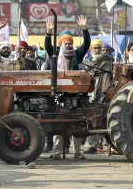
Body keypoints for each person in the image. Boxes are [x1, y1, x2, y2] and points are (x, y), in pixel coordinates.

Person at [44, 15, 90, 160]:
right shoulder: (55, 55)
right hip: (60, 95)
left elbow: (86, 44)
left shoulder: (77, 54)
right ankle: (57, 152)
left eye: (70, 43)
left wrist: (84, 30)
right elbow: (47, 47)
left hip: (77, 96)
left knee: (77, 125)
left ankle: (77, 152)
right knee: (59, 124)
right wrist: (49, 33)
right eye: (65, 43)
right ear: (60, 44)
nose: (68, 45)